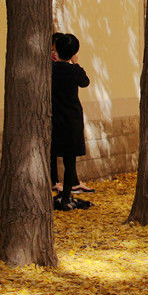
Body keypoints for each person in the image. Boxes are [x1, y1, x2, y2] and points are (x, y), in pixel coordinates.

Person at [50, 33, 92, 211]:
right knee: (69, 161)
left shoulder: (51, 69)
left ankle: (54, 189)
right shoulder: (73, 71)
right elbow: (85, 82)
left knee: (51, 154)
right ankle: (66, 195)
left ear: (56, 50)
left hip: (54, 117)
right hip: (72, 118)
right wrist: (76, 63)